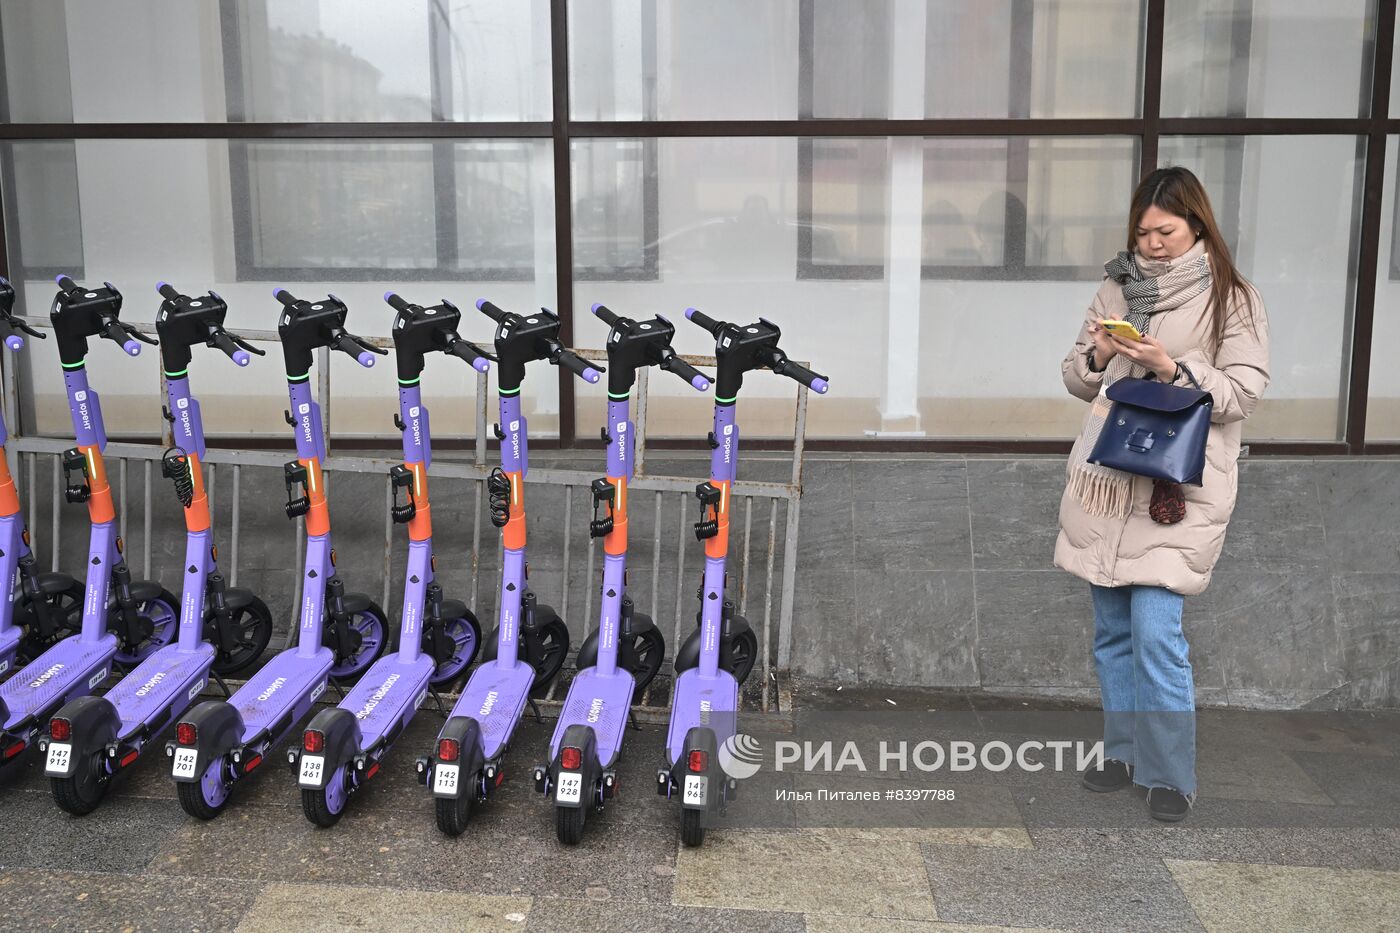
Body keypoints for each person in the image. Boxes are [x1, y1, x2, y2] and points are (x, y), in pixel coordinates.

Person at [1055, 166, 1270, 822]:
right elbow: (1074, 376)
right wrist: (1098, 354)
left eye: (1165, 231)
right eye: (1143, 231)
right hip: (1108, 479)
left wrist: (1172, 368)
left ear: (1197, 225)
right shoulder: (1118, 286)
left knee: (1155, 630)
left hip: (1176, 485)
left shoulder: (1234, 297)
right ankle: (1121, 753)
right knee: (1112, 630)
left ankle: (1169, 772)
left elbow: (1243, 391)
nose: (1151, 243)